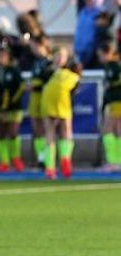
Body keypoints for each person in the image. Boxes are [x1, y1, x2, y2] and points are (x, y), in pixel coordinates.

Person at [40, 48, 81, 179]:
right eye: (57, 55)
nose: (59, 58)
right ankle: (50, 168)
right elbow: (41, 83)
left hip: (63, 103)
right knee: (49, 134)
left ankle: (65, 160)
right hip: (49, 103)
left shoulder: (72, 71)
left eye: (62, 56)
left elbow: (75, 88)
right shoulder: (47, 70)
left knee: (66, 132)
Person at [0, 46, 24, 173]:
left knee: (13, 132)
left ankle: (16, 158)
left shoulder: (14, 71)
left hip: (13, 108)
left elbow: (21, 88)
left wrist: (10, 102)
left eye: (4, 56)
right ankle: (4, 161)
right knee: (1, 133)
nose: (1, 58)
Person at [98, 43, 121, 171]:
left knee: (108, 130)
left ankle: (113, 162)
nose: (100, 58)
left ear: (108, 53)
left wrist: (111, 85)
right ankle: (117, 162)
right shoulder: (109, 66)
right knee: (117, 131)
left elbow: (116, 82)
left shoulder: (115, 66)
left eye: (101, 55)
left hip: (118, 101)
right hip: (113, 102)